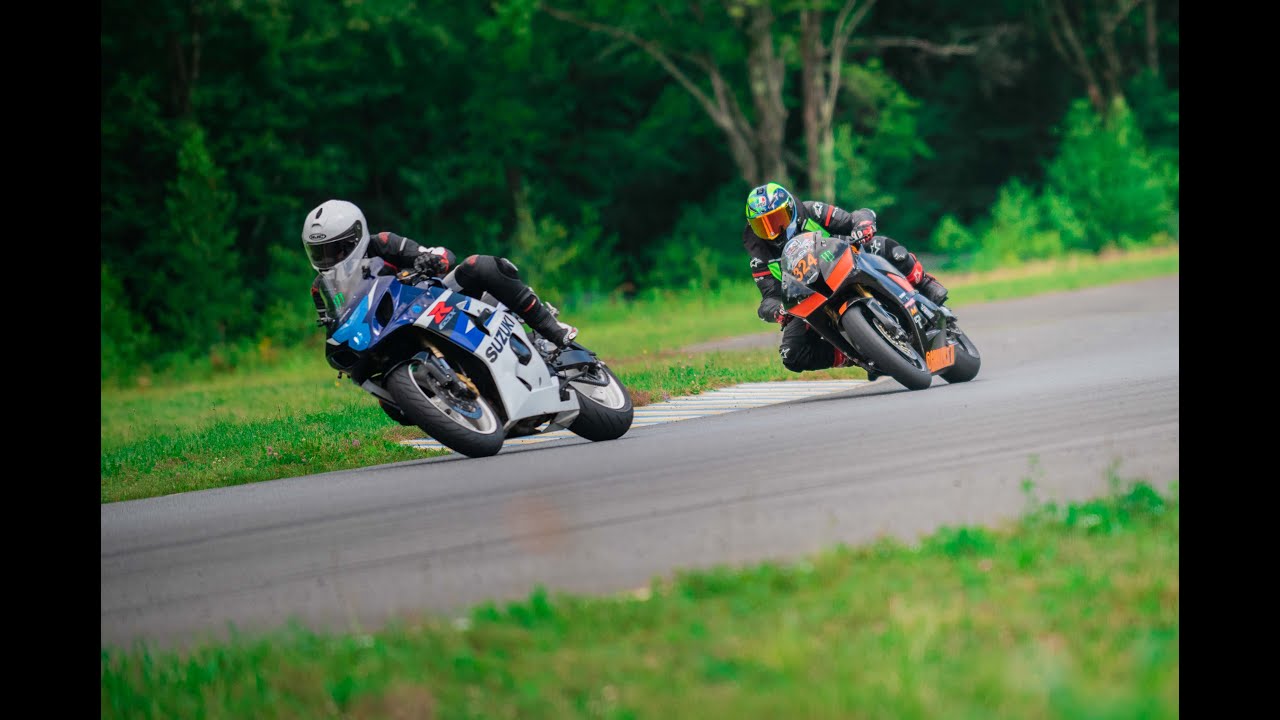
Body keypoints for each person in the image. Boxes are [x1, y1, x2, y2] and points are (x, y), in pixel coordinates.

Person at [302, 199, 577, 347]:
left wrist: (430, 261)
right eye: (320, 252)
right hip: (388, 331)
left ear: (356, 235)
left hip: (432, 299)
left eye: (336, 249)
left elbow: (438, 254)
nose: (330, 259)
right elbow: (332, 322)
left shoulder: (383, 243)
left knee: (478, 265)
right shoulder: (321, 287)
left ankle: (549, 328)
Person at [742, 182, 949, 374]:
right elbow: (768, 297)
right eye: (762, 225)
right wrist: (777, 310)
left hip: (843, 260)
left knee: (884, 246)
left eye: (777, 219)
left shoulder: (811, 210)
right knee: (792, 354)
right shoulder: (759, 254)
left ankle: (924, 283)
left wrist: (863, 225)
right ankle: (854, 354)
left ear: (790, 209)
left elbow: (852, 218)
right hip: (808, 295)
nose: (771, 231)